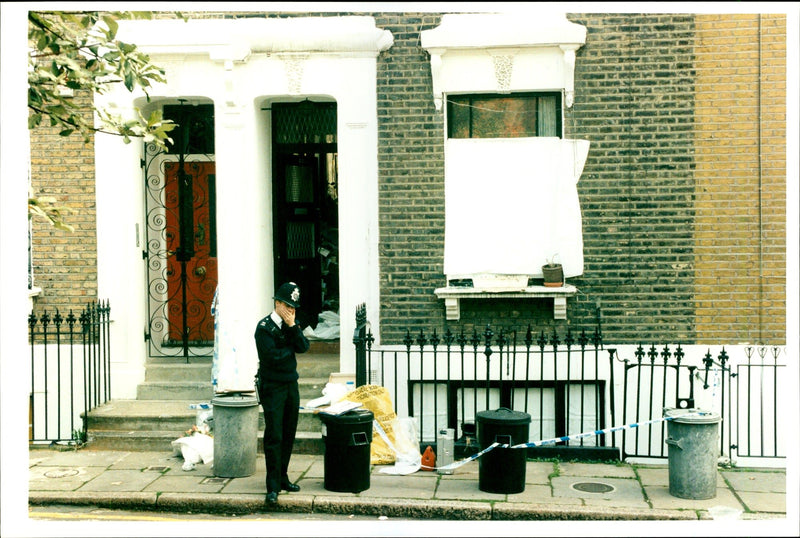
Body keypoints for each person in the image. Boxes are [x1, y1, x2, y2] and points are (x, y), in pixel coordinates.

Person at [254, 281, 310, 506]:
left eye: (294, 307)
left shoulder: (291, 325)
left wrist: (292, 327)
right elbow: (273, 359)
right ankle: (272, 485)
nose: (291, 311)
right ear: (277, 303)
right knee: (274, 435)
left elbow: (304, 346)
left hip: (290, 385)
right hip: (273, 387)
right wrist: (290, 347)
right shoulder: (264, 327)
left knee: (288, 433)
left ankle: (283, 477)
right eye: (287, 306)